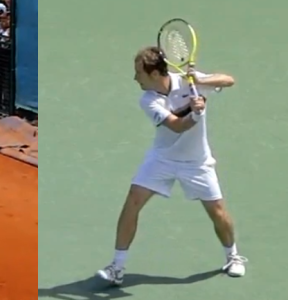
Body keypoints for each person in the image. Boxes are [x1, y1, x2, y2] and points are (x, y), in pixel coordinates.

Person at [96, 46, 247, 285]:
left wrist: (201, 79)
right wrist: (195, 114)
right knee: (133, 201)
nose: (135, 78)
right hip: (162, 159)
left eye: (139, 73)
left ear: (154, 74)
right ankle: (117, 267)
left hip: (197, 162)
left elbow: (229, 80)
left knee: (217, 211)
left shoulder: (188, 82)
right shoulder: (148, 100)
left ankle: (233, 257)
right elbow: (177, 126)